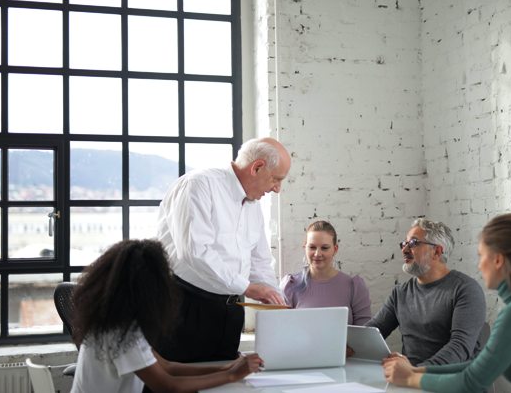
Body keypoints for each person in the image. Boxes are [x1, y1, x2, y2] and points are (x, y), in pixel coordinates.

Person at [383, 213, 511, 392]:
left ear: (498, 260)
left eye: (481, 256)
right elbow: (475, 368)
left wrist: (410, 377)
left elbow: (470, 382)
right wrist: (416, 370)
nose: (479, 265)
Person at [156, 137, 291, 363]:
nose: (277, 189)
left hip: (230, 311)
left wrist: (277, 300)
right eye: (276, 179)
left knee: (226, 381)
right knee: (178, 385)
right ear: (257, 167)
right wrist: (248, 288)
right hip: (185, 307)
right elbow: (195, 252)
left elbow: (259, 262)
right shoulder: (198, 185)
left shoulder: (253, 206)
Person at [71, 239, 263, 393]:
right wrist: (231, 376)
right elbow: (167, 386)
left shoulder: (110, 323)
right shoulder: (124, 335)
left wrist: (227, 368)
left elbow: (167, 366)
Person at [366, 218, 486, 366]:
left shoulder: (465, 290)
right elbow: (374, 331)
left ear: (437, 251)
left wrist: (415, 372)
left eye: (413, 243)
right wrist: (345, 344)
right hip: (410, 381)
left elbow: (460, 347)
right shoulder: (401, 293)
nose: (404, 250)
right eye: (404, 244)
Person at [280, 220, 371, 325]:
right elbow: (281, 331)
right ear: (305, 248)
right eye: (312, 247)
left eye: (324, 248)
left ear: (335, 249)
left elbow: (363, 335)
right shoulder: (290, 285)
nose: (317, 254)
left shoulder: (354, 287)